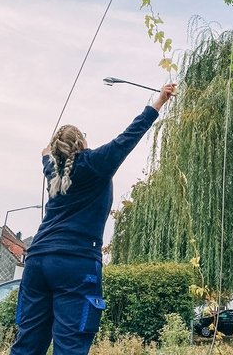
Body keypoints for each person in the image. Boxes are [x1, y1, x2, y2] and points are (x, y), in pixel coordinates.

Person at [11, 83, 176, 355]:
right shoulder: (95, 163)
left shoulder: (53, 170)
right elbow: (130, 135)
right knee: (70, 345)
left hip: (38, 261)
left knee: (27, 344)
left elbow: (44, 153)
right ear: (82, 144)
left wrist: (52, 149)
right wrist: (159, 101)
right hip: (75, 264)